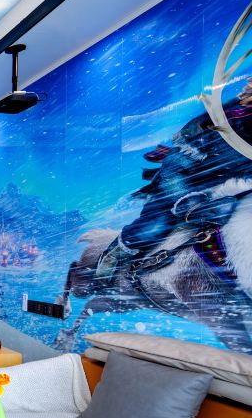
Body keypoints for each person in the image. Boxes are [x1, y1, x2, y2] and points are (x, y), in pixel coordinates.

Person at [95, 78, 252, 281]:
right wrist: (187, 201)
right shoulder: (229, 117)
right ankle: (114, 255)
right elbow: (179, 160)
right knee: (156, 226)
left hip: (223, 187)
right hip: (185, 176)